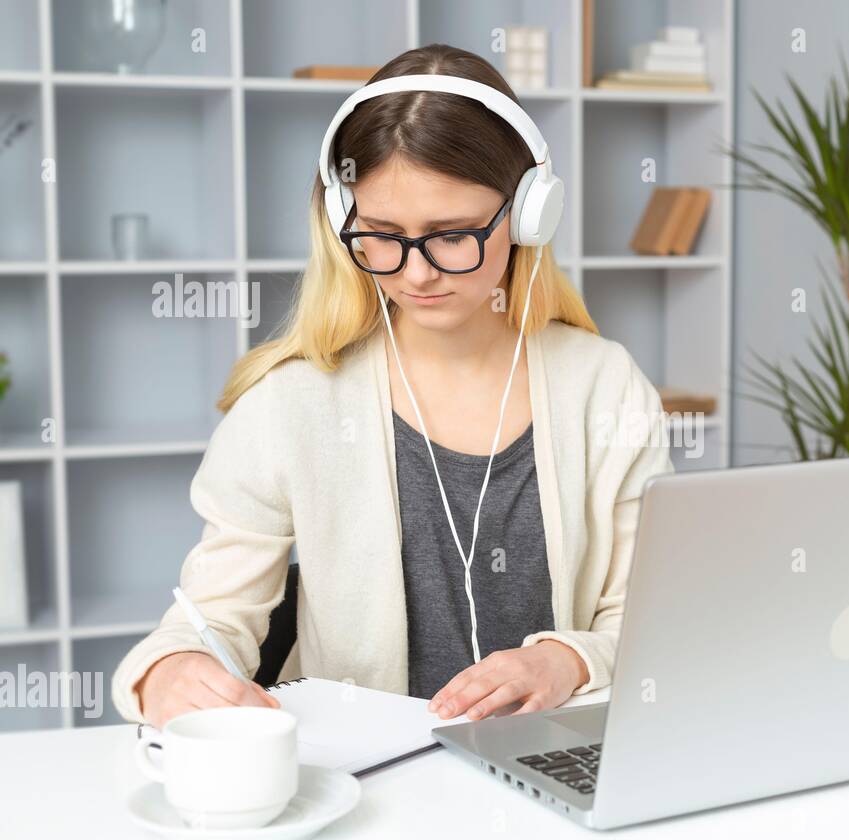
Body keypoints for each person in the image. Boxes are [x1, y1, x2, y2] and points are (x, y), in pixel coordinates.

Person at [110, 43, 673, 728]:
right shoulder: (291, 403)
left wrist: (567, 661)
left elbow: (647, 615)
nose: (416, 274)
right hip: (363, 790)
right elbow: (211, 618)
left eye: (451, 234)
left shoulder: (605, 389)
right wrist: (169, 673)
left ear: (530, 215)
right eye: (381, 235)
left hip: (553, 766)